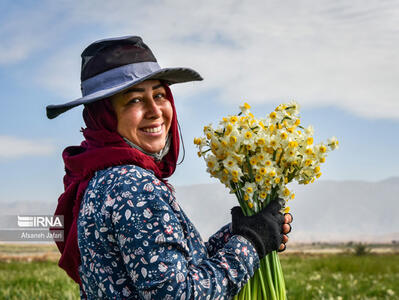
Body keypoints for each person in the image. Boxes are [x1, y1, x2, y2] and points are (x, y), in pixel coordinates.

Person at [46, 36, 293, 300]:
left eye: (159, 95)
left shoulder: (103, 178)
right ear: (104, 116)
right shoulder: (134, 186)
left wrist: (241, 230)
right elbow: (181, 295)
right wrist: (252, 243)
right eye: (135, 100)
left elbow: (167, 270)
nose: (155, 111)